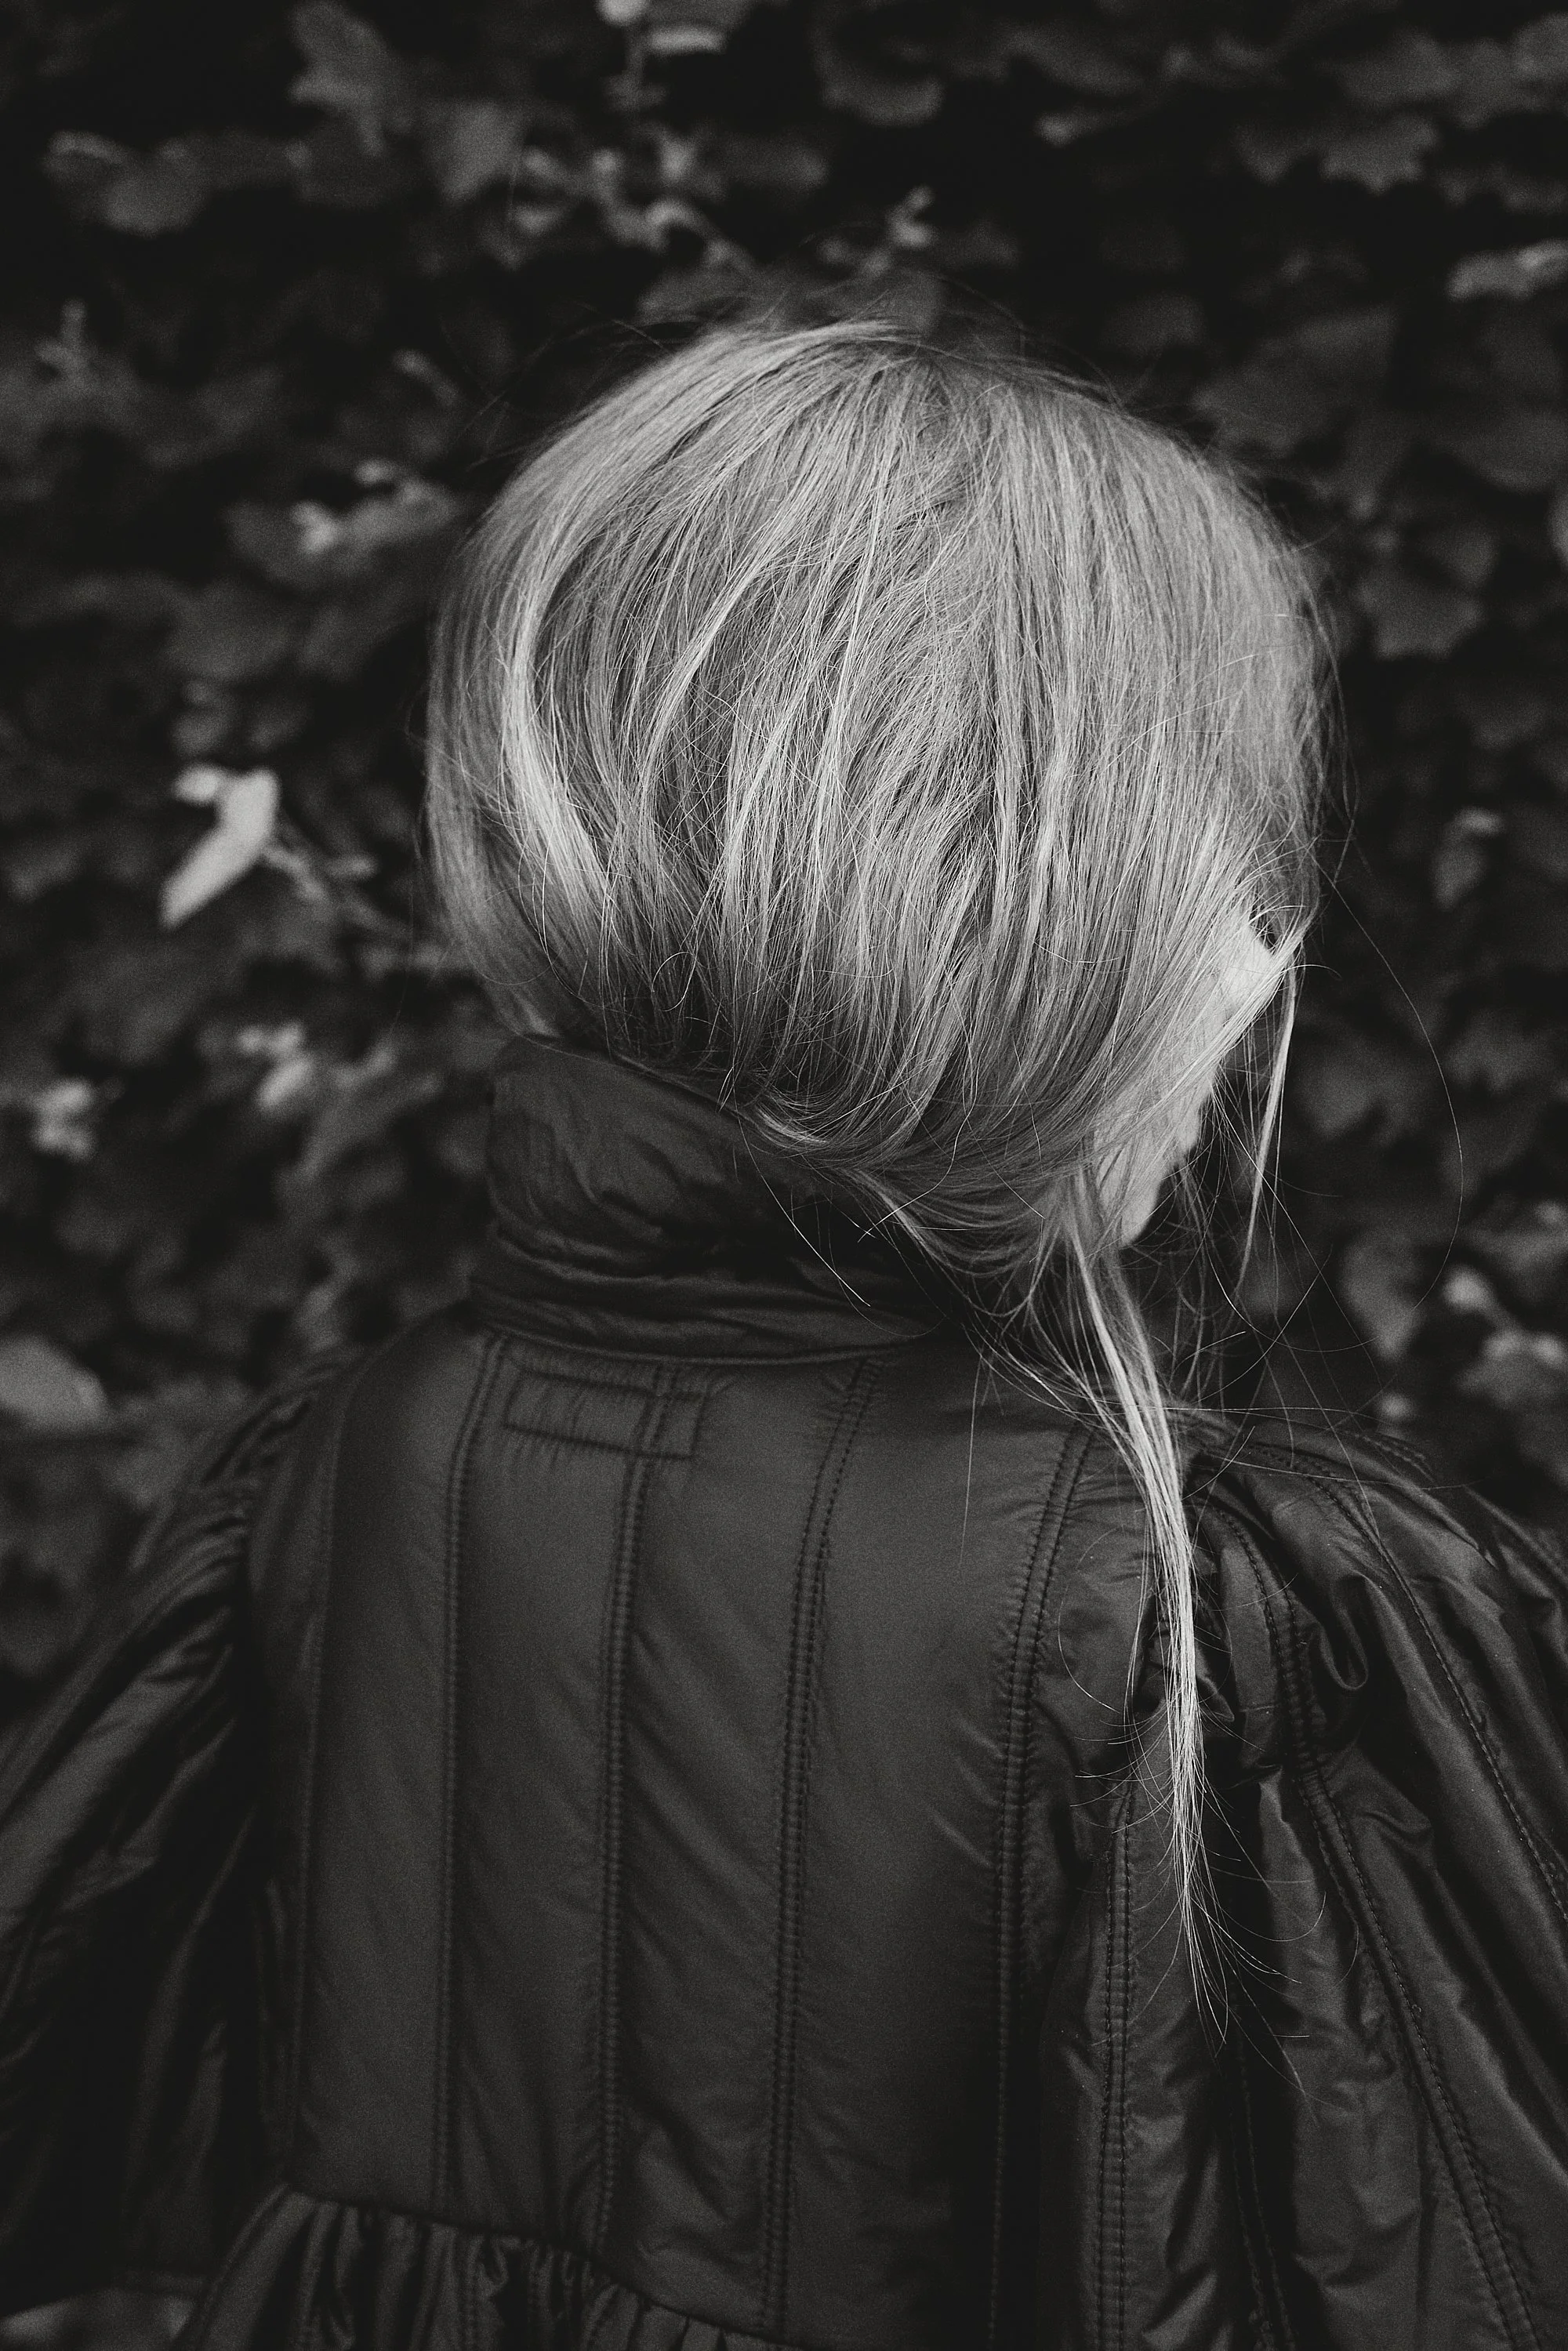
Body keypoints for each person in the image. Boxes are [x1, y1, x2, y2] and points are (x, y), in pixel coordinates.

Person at [2, 319, 1565, 2351]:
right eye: (1246, 858)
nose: (1275, 955)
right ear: (1044, 911)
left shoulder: (347, 1463)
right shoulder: (1229, 1609)